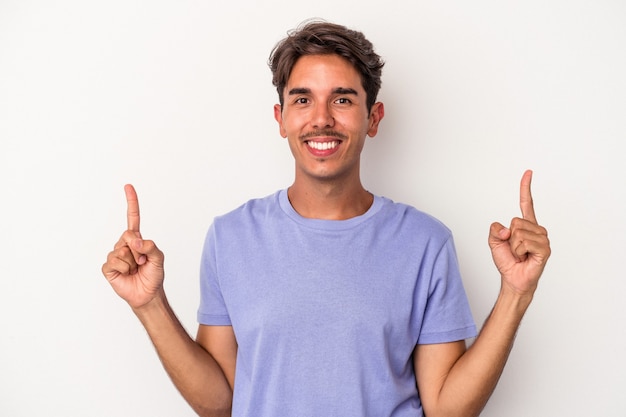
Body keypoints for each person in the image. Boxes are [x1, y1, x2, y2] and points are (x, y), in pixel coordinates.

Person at [102, 20, 551, 417]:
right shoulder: (230, 237)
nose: (321, 119)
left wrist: (515, 294)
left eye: (341, 99)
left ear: (373, 117)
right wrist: (150, 304)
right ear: (281, 118)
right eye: (302, 100)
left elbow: (446, 408)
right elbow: (221, 403)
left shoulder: (425, 242)